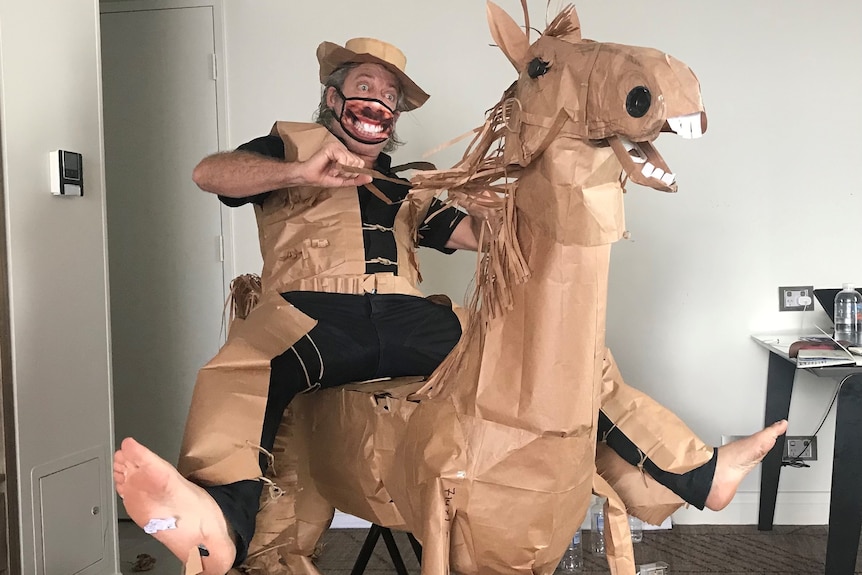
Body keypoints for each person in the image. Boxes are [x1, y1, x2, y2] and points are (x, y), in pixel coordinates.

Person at [112, 37, 787, 575]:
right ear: (333, 94)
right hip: (314, 314)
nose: (378, 100)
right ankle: (215, 524)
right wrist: (298, 174)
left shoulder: (404, 184)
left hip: (407, 318)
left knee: (561, 358)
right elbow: (211, 174)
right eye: (365, 86)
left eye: (390, 96)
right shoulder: (285, 147)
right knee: (242, 366)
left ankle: (695, 472)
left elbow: (475, 236)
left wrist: (526, 198)